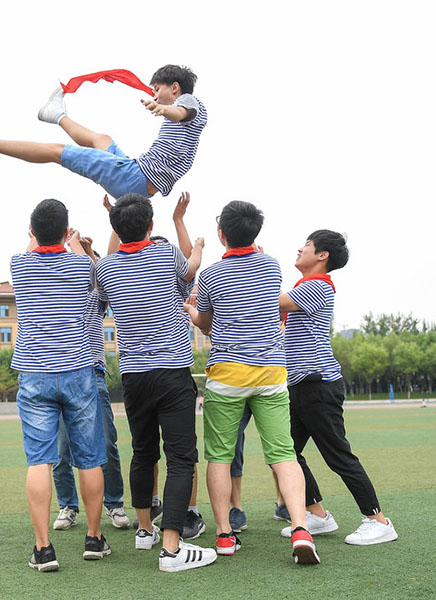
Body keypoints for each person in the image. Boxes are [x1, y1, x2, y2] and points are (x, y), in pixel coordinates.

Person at [185, 201, 320, 565]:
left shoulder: (210, 276)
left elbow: (205, 324)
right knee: (283, 455)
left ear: (221, 234)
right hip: (271, 372)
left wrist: (190, 309)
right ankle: (300, 527)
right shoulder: (272, 265)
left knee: (219, 457)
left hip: (227, 374)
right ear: (255, 233)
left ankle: (225, 536)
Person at [95, 193, 216, 573]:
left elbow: (111, 261)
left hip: (134, 377)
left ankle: (144, 530)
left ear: (115, 230)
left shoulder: (106, 270)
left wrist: (113, 220)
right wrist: (195, 244)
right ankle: (171, 548)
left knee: (144, 453)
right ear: (151, 227)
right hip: (173, 372)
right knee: (181, 458)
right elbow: (192, 268)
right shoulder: (166, 257)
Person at [279, 230, 399, 545]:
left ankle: (378, 520)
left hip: (319, 385)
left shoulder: (318, 285)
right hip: (301, 385)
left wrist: (253, 271)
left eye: (305, 246)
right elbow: (278, 315)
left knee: (338, 455)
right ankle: (317, 514)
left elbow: (274, 301)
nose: (299, 249)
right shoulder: (305, 287)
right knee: (285, 451)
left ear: (322, 256)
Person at [11, 199, 108, 572]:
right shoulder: (82, 264)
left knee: (40, 460)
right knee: (90, 457)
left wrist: (42, 236)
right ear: (67, 231)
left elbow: (32, 246)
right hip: (79, 370)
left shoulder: (19, 264)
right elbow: (98, 276)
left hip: (35, 372)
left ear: (32, 232)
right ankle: (94, 539)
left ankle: (43, 548)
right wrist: (77, 244)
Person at [0, 65, 206, 200]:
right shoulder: (187, 112)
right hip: (137, 181)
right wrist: (164, 108)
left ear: (175, 88)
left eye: (157, 90)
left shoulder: (187, 103)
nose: (153, 95)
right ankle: (56, 114)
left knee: (58, 152)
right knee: (102, 140)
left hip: (134, 177)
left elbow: (183, 113)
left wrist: (163, 109)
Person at [52, 238, 130, 532]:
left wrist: (84, 249)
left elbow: (104, 275)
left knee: (106, 444)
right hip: (62, 374)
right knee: (62, 450)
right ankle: (67, 506)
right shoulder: (59, 293)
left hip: (93, 375)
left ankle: (114, 503)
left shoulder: (95, 297)